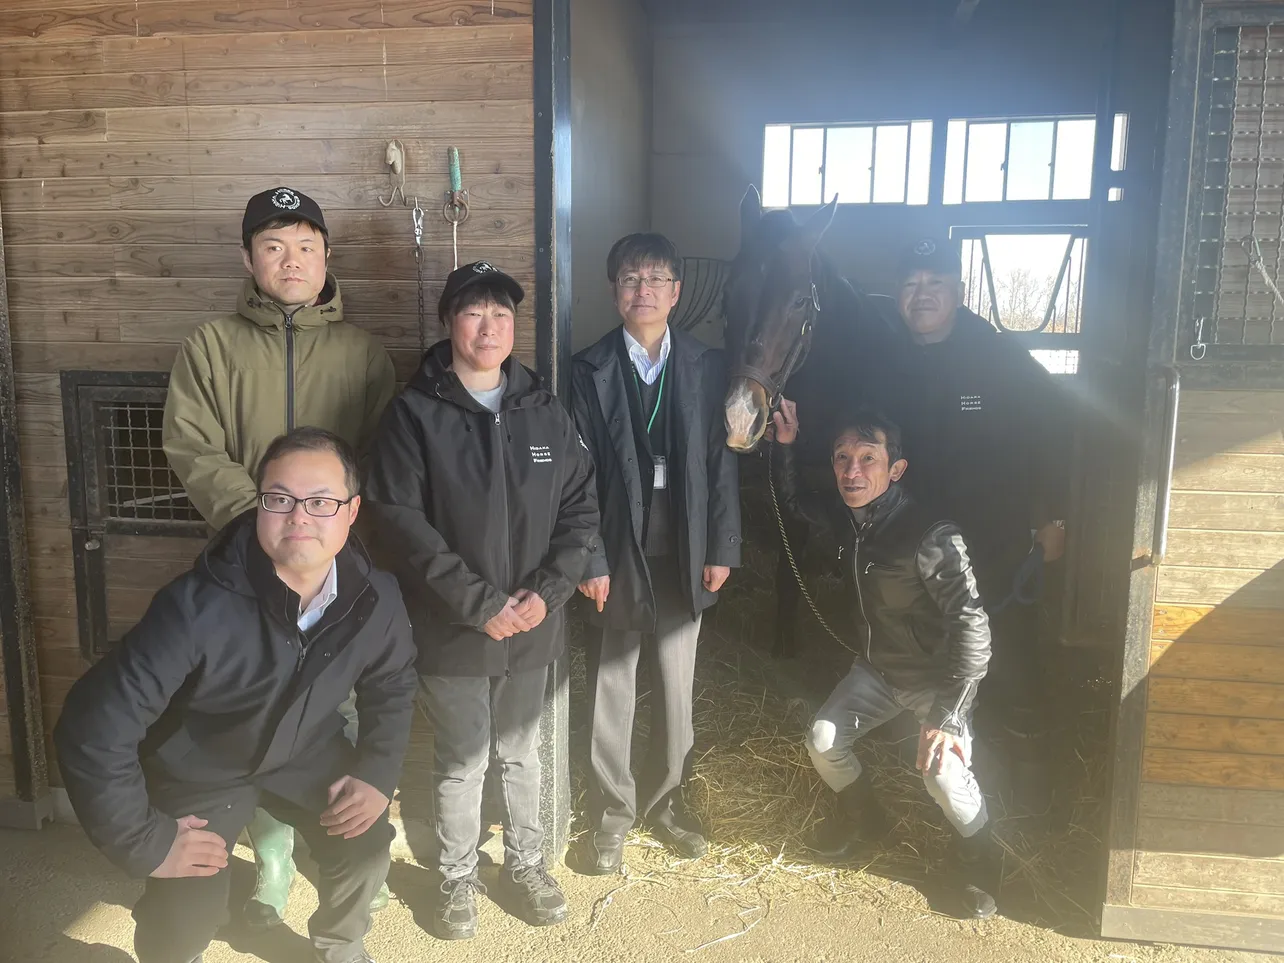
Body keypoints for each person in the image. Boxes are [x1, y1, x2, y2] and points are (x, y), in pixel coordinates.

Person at [54, 428, 419, 963]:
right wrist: (145, 841)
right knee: (185, 903)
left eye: (320, 501)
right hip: (200, 765)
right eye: (280, 499)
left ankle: (341, 947)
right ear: (259, 505)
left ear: (351, 510)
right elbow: (92, 726)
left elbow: (393, 683)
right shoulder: (194, 607)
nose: (299, 516)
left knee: (363, 845)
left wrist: (377, 771)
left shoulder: (377, 597)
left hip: (305, 751)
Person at [161, 186, 398, 927]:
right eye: (272, 246)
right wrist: (263, 519)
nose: (289, 261)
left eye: (303, 245)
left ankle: (350, 854)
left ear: (326, 255)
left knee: (339, 710)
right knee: (249, 711)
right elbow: (191, 443)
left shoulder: (363, 354)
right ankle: (270, 863)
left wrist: (322, 528)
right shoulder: (210, 346)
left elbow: (383, 455)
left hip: (337, 571)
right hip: (241, 571)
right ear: (248, 259)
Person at [364, 261, 601, 941]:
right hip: (453, 628)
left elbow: (582, 508)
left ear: (515, 325)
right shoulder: (414, 416)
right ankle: (456, 877)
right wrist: (476, 603)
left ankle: (526, 865)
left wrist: (547, 593)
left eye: (501, 314)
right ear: (449, 323)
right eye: (474, 312)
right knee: (464, 756)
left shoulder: (543, 409)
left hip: (531, 624)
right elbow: (399, 520)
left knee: (523, 751)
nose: (489, 326)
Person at [770, 400, 999, 919]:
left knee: (942, 777)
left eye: (868, 458)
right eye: (842, 457)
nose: (852, 470)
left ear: (896, 469)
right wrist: (784, 449)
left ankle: (982, 860)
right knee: (823, 740)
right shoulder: (849, 518)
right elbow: (794, 507)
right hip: (876, 670)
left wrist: (947, 714)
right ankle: (867, 819)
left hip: (936, 683)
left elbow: (972, 624)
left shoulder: (931, 534)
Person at [569, 233, 742, 875]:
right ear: (615, 291)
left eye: (656, 279)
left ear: (676, 292)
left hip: (685, 547)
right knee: (611, 686)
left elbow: (722, 461)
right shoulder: (586, 369)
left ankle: (664, 804)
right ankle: (610, 817)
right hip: (614, 547)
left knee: (676, 683)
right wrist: (588, 557)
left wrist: (723, 545)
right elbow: (574, 475)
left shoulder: (707, 365)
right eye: (630, 279)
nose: (643, 290)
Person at [881, 237, 1071, 803]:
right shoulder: (889, 362)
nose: (922, 295)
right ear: (898, 296)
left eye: (935, 283)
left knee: (1008, 660)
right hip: (918, 547)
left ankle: (1030, 793)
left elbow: (1055, 429)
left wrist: (1051, 515)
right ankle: (947, 784)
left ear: (958, 293)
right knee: (934, 658)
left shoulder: (999, 356)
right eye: (912, 285)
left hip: (992, 544)